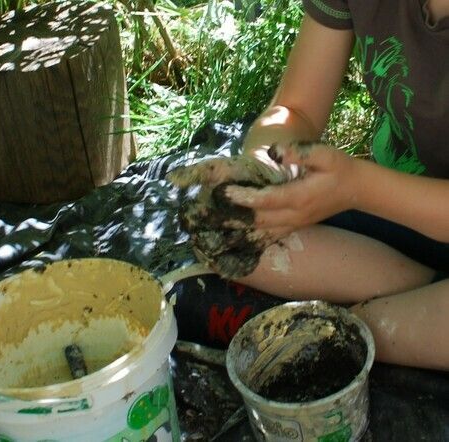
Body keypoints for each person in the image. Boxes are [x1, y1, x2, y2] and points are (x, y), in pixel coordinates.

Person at [176, 1, 449, 370]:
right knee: (225, 228)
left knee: (355, 334)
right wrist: (262, 172)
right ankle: (417, 296)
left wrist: (357, 189)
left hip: (390, 198)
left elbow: (359, 188)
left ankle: (355, 327)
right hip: (401, 210)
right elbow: (297, 108)